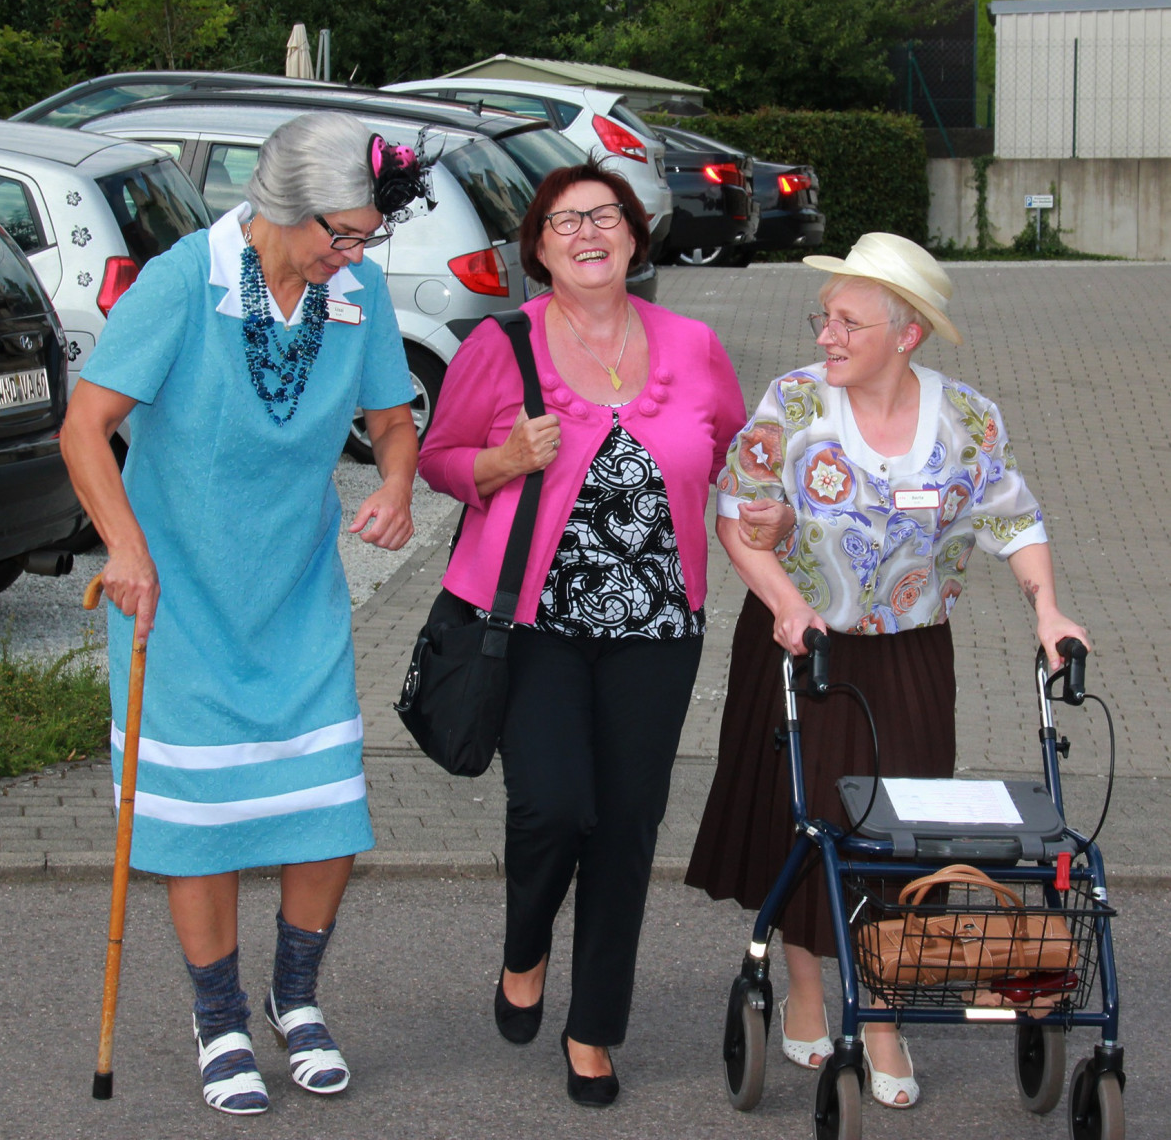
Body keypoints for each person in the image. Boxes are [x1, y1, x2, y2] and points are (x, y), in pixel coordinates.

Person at [60, 113, 426, 1115]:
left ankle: (294, 998)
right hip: (176, 601)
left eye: (364, 237)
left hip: (297, 594)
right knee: (203, 822)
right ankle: (218, 1016)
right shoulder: (184, 280)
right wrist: (125, 545)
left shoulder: (356, 292)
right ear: (277, 207)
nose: (351, 254)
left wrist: (394, 483)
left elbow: (393, 420)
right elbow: (85, 426)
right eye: (338, 235)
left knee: (325, 813)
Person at [685, 232, 1090, 1110]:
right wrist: (777, 589)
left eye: (847, 322)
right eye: (823, 317)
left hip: (910, 652)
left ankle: (879, 1016)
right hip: (801, 646)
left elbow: (1013, 520)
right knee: (805, 821)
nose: (826, 335)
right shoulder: (791, 405)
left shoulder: (966, 418)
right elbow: (732, 512)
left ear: (905, 335)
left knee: (900, 835)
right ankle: (801, 991)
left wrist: (1046, 608)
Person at [417, 159, 745, 1107]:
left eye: (605, 216)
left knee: (628, 828)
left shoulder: (693, 344)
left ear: (636, 236)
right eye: (564, 223)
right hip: (531, 622)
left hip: (657, 625)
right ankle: (525, 951)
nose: (588, 233)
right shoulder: (502, 345)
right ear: (538, 251)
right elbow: (440, 459)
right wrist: (501, 459)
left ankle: (594, 1026)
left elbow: (728, 454)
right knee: (554, 806)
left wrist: (758, 508)